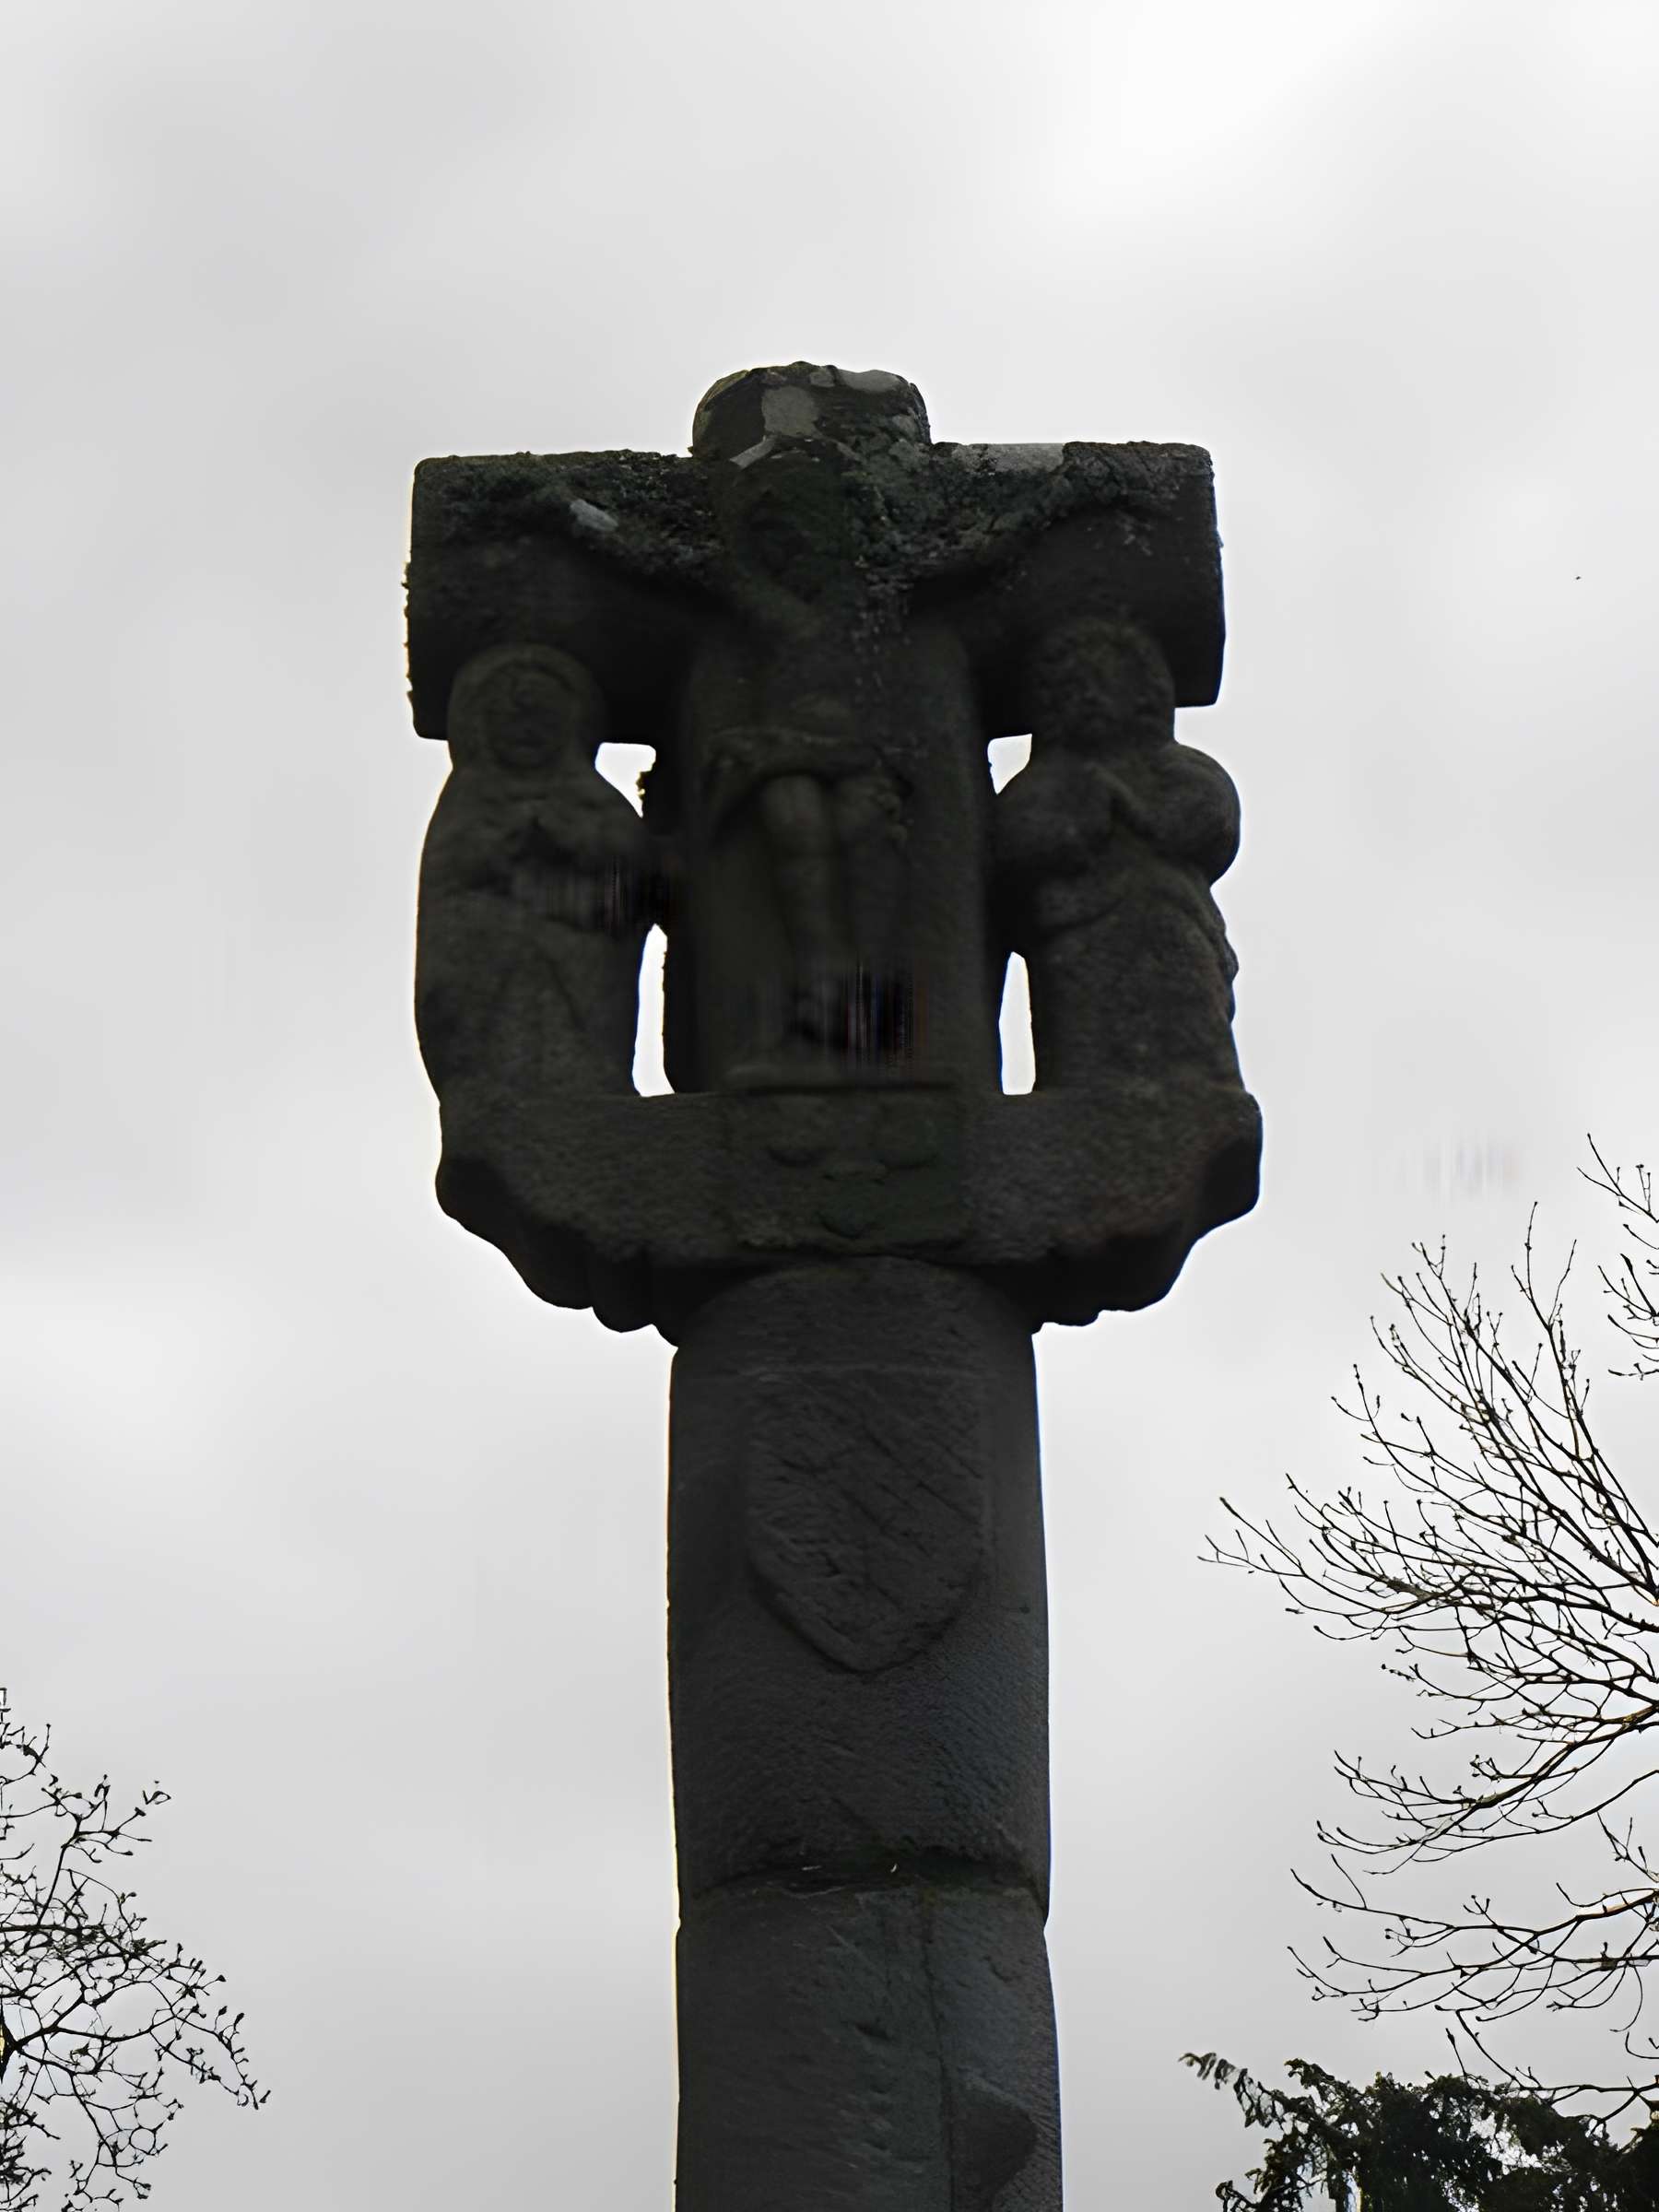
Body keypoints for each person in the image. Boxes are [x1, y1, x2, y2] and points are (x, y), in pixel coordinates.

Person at [996, 617, 1241, 1091]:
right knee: (1082, 1018)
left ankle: (1197, 1078)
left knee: (1183, 990)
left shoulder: (1177, 768)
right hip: (1076, 929)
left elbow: (1212, 820)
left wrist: (1135, 812)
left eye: (1103, 684)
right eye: (1069, 690)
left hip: (1171, 914)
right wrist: (1075, 829)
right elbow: (1018, 846)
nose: (1087, 699)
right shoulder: (1044, 784)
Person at [416, 642, 652, 1097]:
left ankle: (592, 1079)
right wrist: (498, 857)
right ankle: (483, 1081)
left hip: (579, 946)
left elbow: (633, 870)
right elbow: (452, 878)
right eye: (509, 719)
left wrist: (578, 846)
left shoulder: (594, 801)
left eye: (541, 717)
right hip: (492, 958)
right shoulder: (468, 803)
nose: (525, 731)